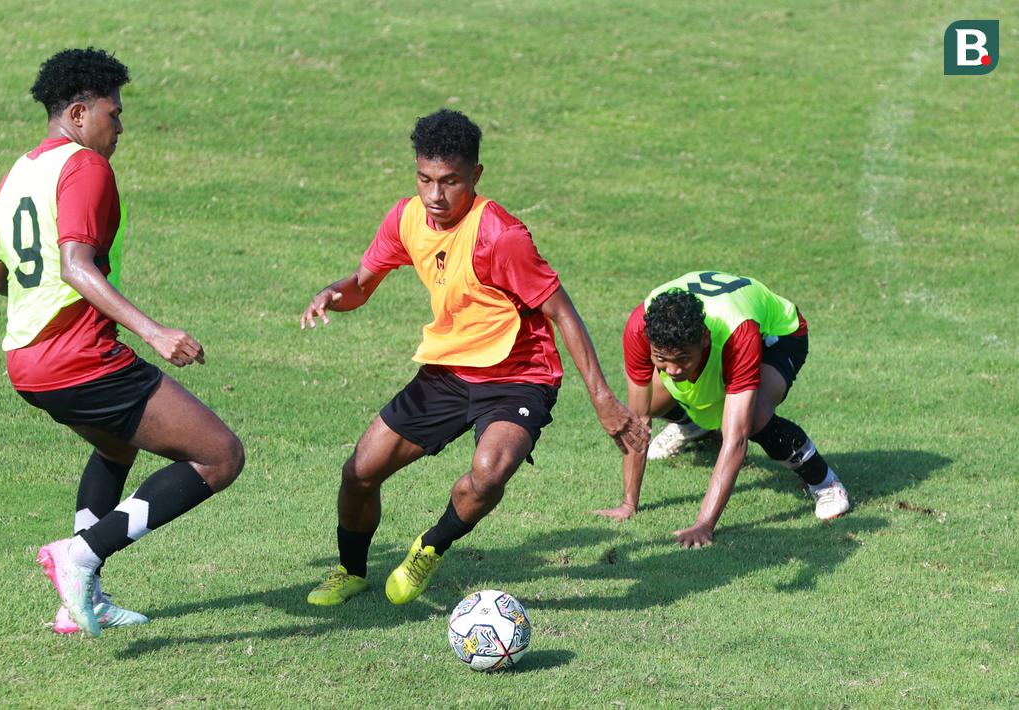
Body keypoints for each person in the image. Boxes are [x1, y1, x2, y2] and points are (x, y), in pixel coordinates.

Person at [299, 109, 649, 606]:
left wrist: (604, 400)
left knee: (488, 472)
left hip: (519, 376)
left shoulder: (500, 237)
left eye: (450, 182)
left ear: (475, 177)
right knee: (359, 471)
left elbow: (563, 312)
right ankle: (351, 571)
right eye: (425, 179)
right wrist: (331, 293)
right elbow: (361, 284)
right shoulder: (406, 217)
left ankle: (430, 546)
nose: (435, 196)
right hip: (447, 372)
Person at [0, 48, 244, 636]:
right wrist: (153, 331)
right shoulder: (85, 167)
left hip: (26, 362)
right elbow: (76, 265)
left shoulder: (18, 174)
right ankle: (78, 557)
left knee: (115, 449)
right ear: (79, 114)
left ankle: (82, 602)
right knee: (219, 456)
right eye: (114, 113)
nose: (120, 127)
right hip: (78, 358)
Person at [595, 271, 850, 547]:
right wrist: (628, 503)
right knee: (653, 402)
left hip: (777, 334)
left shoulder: (738, 333)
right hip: (721, 335)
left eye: (682, 359)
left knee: (753, 418)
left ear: (703, 338)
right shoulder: (638, 328)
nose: (673, 370)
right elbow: (638, 421)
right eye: (661, 360)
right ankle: (693, 425)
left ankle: (824, 482)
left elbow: (736, 439)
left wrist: (703, 524)